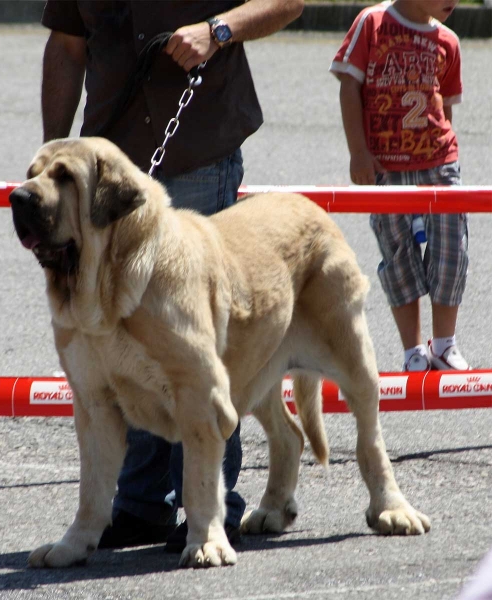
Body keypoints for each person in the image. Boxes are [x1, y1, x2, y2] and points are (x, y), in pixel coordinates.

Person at [40, 0, 304, 553]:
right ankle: (140, 506)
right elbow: (66, 46)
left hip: (198, 155)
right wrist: (52, 163)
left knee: (196, 345)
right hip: (103, 173)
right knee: (117, 337)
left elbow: (289, 2)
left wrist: (218, 30)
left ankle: (212, 513)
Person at [330, 0, 470, 372]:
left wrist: (445, 156)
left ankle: (444, 344)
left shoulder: (448, 41)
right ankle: (413, 350)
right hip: (385, 167)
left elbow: (446, 110)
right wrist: (358, 152)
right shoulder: (373, 22)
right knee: (398, 256)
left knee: (451, 250)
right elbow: (349, 86)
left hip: (438, 164)